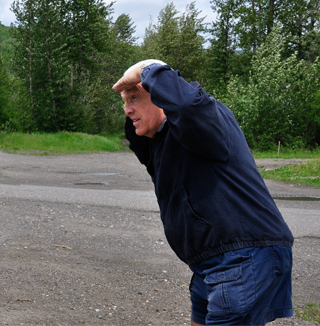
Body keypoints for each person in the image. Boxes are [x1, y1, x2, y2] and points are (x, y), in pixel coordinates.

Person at [113, 59, 294, 326]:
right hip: (212, 260)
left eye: (135, 97)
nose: (128, 109)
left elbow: (186, 106)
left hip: (242, 255)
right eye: (125, 101)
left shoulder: (207, 119)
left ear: (163, 95)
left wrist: (146, 69)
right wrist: (140, 98)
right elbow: (139, 136)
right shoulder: (163, 140)